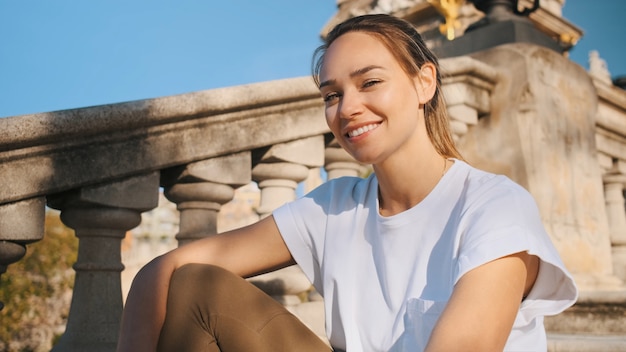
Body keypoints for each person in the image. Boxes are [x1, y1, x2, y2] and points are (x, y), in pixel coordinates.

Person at [117, 14, 578, 352]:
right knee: (198, 286)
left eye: (370, 82)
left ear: (424, 83)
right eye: (332, 95)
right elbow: (164, 270)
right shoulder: (335, 207)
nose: (347, 108)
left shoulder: (493, 206)